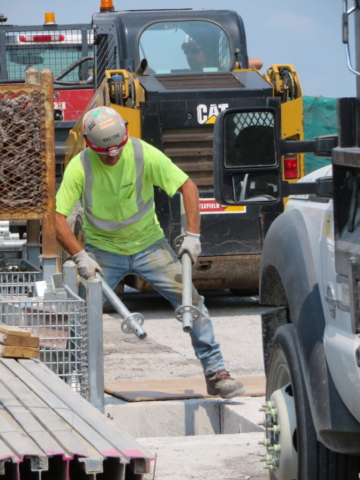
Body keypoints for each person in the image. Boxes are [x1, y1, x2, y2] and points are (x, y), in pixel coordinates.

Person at [55, 106, 245, 400]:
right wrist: (81, 255)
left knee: (192, 302)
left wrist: (193, 237)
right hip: (103, 251)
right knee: (82, 314)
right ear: (89, 143)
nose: (112, 156)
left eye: (117, 149)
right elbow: (55, 216)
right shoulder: (80, 166)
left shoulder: (142, 153)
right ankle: (67, 380)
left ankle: (216, 373)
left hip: (149, 246)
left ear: (126, 133)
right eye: (105, 152)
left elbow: (188, 187)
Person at [181, 35, 263, 71]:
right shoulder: (185, 75)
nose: (189, 55)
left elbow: (258, 63)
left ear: (206, 52)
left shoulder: (222, 68)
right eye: (186, 51)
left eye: (195, 50)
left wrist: (228, 64)